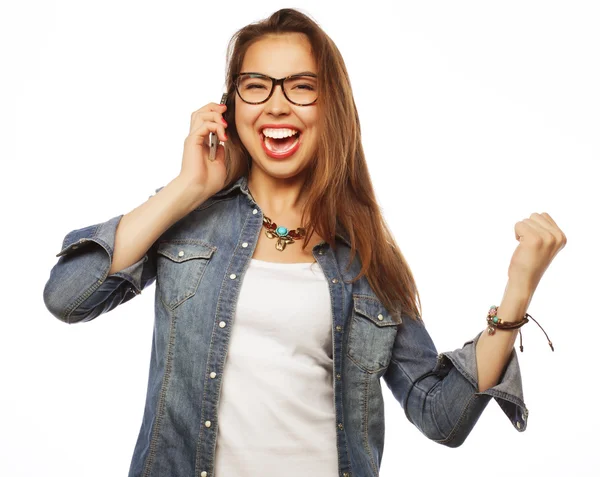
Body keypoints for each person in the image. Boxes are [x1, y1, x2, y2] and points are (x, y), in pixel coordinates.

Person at [43, 8, 567, 477]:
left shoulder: (365, 256)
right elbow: (67, 297)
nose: (276, 105)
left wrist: (518, 291)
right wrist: (188, 188)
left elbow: (440, 416)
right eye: (256, 85)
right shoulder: (189, 218)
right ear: (231, 105)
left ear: (330, 104)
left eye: (301, 86)